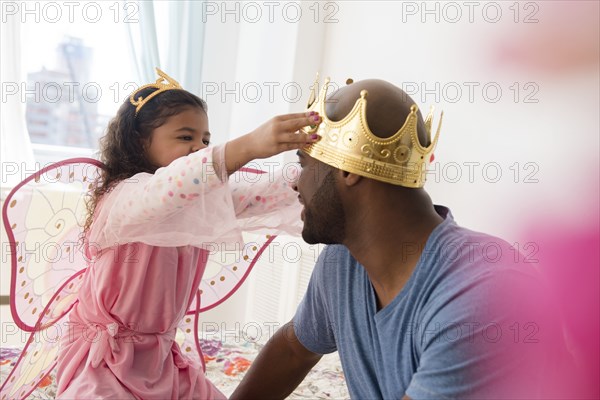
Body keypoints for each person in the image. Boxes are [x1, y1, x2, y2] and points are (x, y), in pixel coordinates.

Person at [231, 78, 560, 399]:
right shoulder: (343, 261)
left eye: (303, 164)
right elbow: (293, 349)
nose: (294, 184)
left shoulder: (486, 294)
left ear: (348, 170)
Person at [54, 69, 321, 399]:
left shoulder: (202, 201)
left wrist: (316, 168)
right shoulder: (123, 198)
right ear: (140, 140)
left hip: (160, 363)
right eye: (185, 137)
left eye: (206, 141)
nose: (199, 147)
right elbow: (168, 190)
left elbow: (262, 192)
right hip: (102, 365)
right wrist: (249, 145)